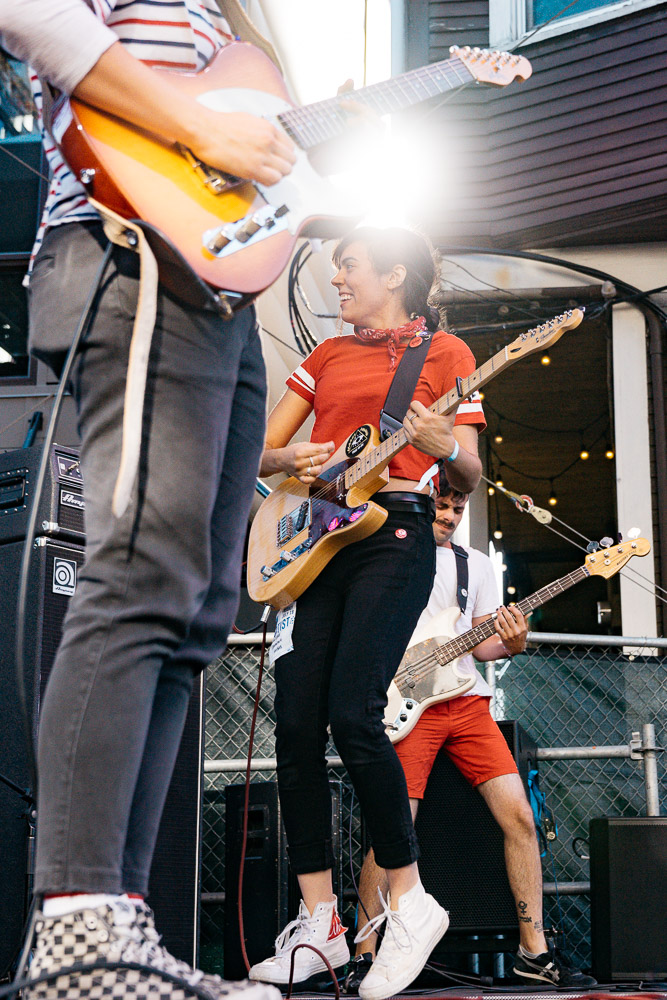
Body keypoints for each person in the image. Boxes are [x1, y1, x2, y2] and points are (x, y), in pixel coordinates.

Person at [0, 2, 296, 998]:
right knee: (139, 573)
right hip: (130, 256)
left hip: (216, 293)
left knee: (196, 609)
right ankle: (75, 924)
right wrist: (208, 130)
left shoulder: (227, 17)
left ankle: (120, 927)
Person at [247, 227, 486, 1000]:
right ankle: (320, 925)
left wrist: (443, 442)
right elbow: (261, 453)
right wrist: (290, 462)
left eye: (347, 268)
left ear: (394, 274)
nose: (337, 280)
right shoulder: (323, 357)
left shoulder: (444, 354)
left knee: (354, 715)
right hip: (318, 538)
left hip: (397, 534)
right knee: (293, 724)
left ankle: (410, 902)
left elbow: (471, 471)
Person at [343, 478, 597, 992]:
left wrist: (513, 642)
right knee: (394, 827)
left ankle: (534, 952)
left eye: (459, 507)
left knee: (521, 818)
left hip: (466, 702)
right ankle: (362, 953)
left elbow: (480, 643)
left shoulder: (474, 564)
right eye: (442, 504)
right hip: (407, 701)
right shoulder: (384, 550)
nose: (451, 515)